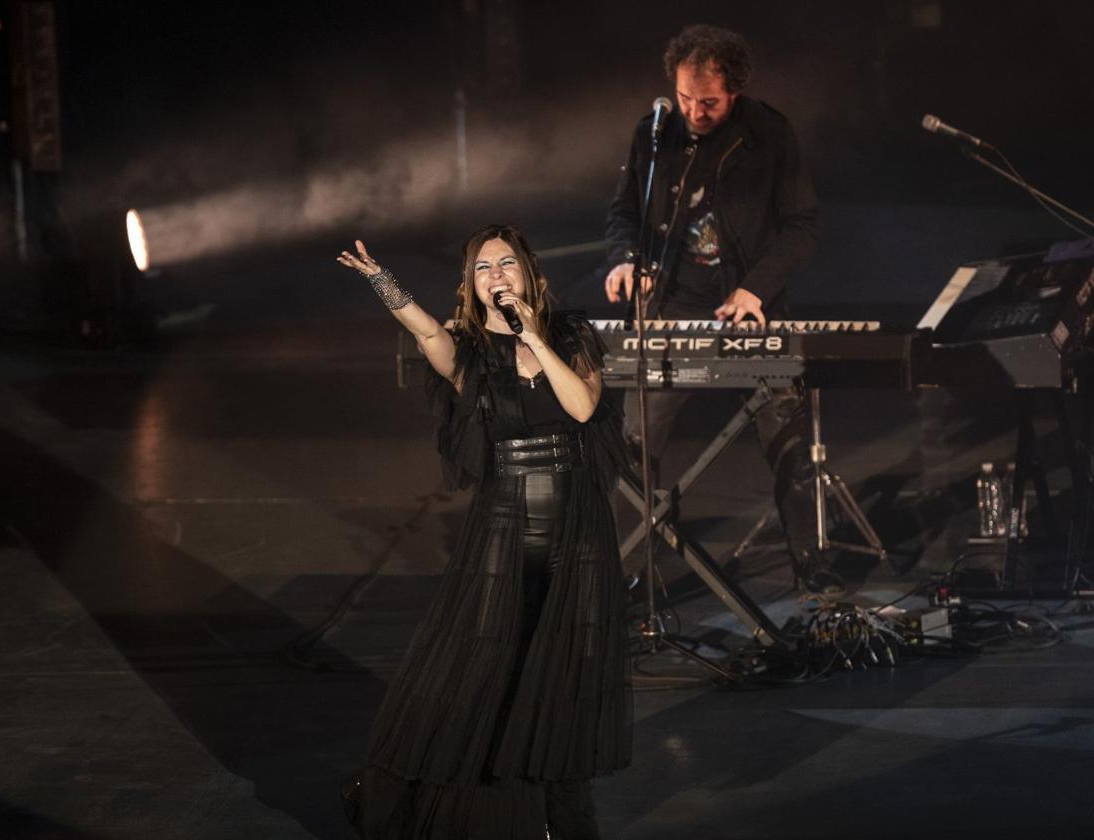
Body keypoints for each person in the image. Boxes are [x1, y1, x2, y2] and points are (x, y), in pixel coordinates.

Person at [337, 225, 632, 839]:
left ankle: (559, 813)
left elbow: (581, 407)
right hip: (502, 523)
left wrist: (534, 336)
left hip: (578, 529)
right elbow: (423, 330)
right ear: (469, 285)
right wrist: (382, 282)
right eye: (481, 268)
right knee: (481, 660)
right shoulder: (465, 351)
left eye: (505, 264)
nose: (496, 275)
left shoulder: (572, 335)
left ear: (528, 273)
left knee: (560, 668)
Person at [604, 23, 842, 593]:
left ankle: (815, 569)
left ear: (732, 90)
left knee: (787, 443)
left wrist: (757, 288)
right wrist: (624, 258)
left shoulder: (769, 134)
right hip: (671, 309)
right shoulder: (654, 134)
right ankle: (627, 576)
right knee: (632, 451)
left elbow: (803, 225)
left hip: (750, 309)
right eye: (686, 98)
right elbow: (623, 215)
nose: (695, 111)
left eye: (708, 102)